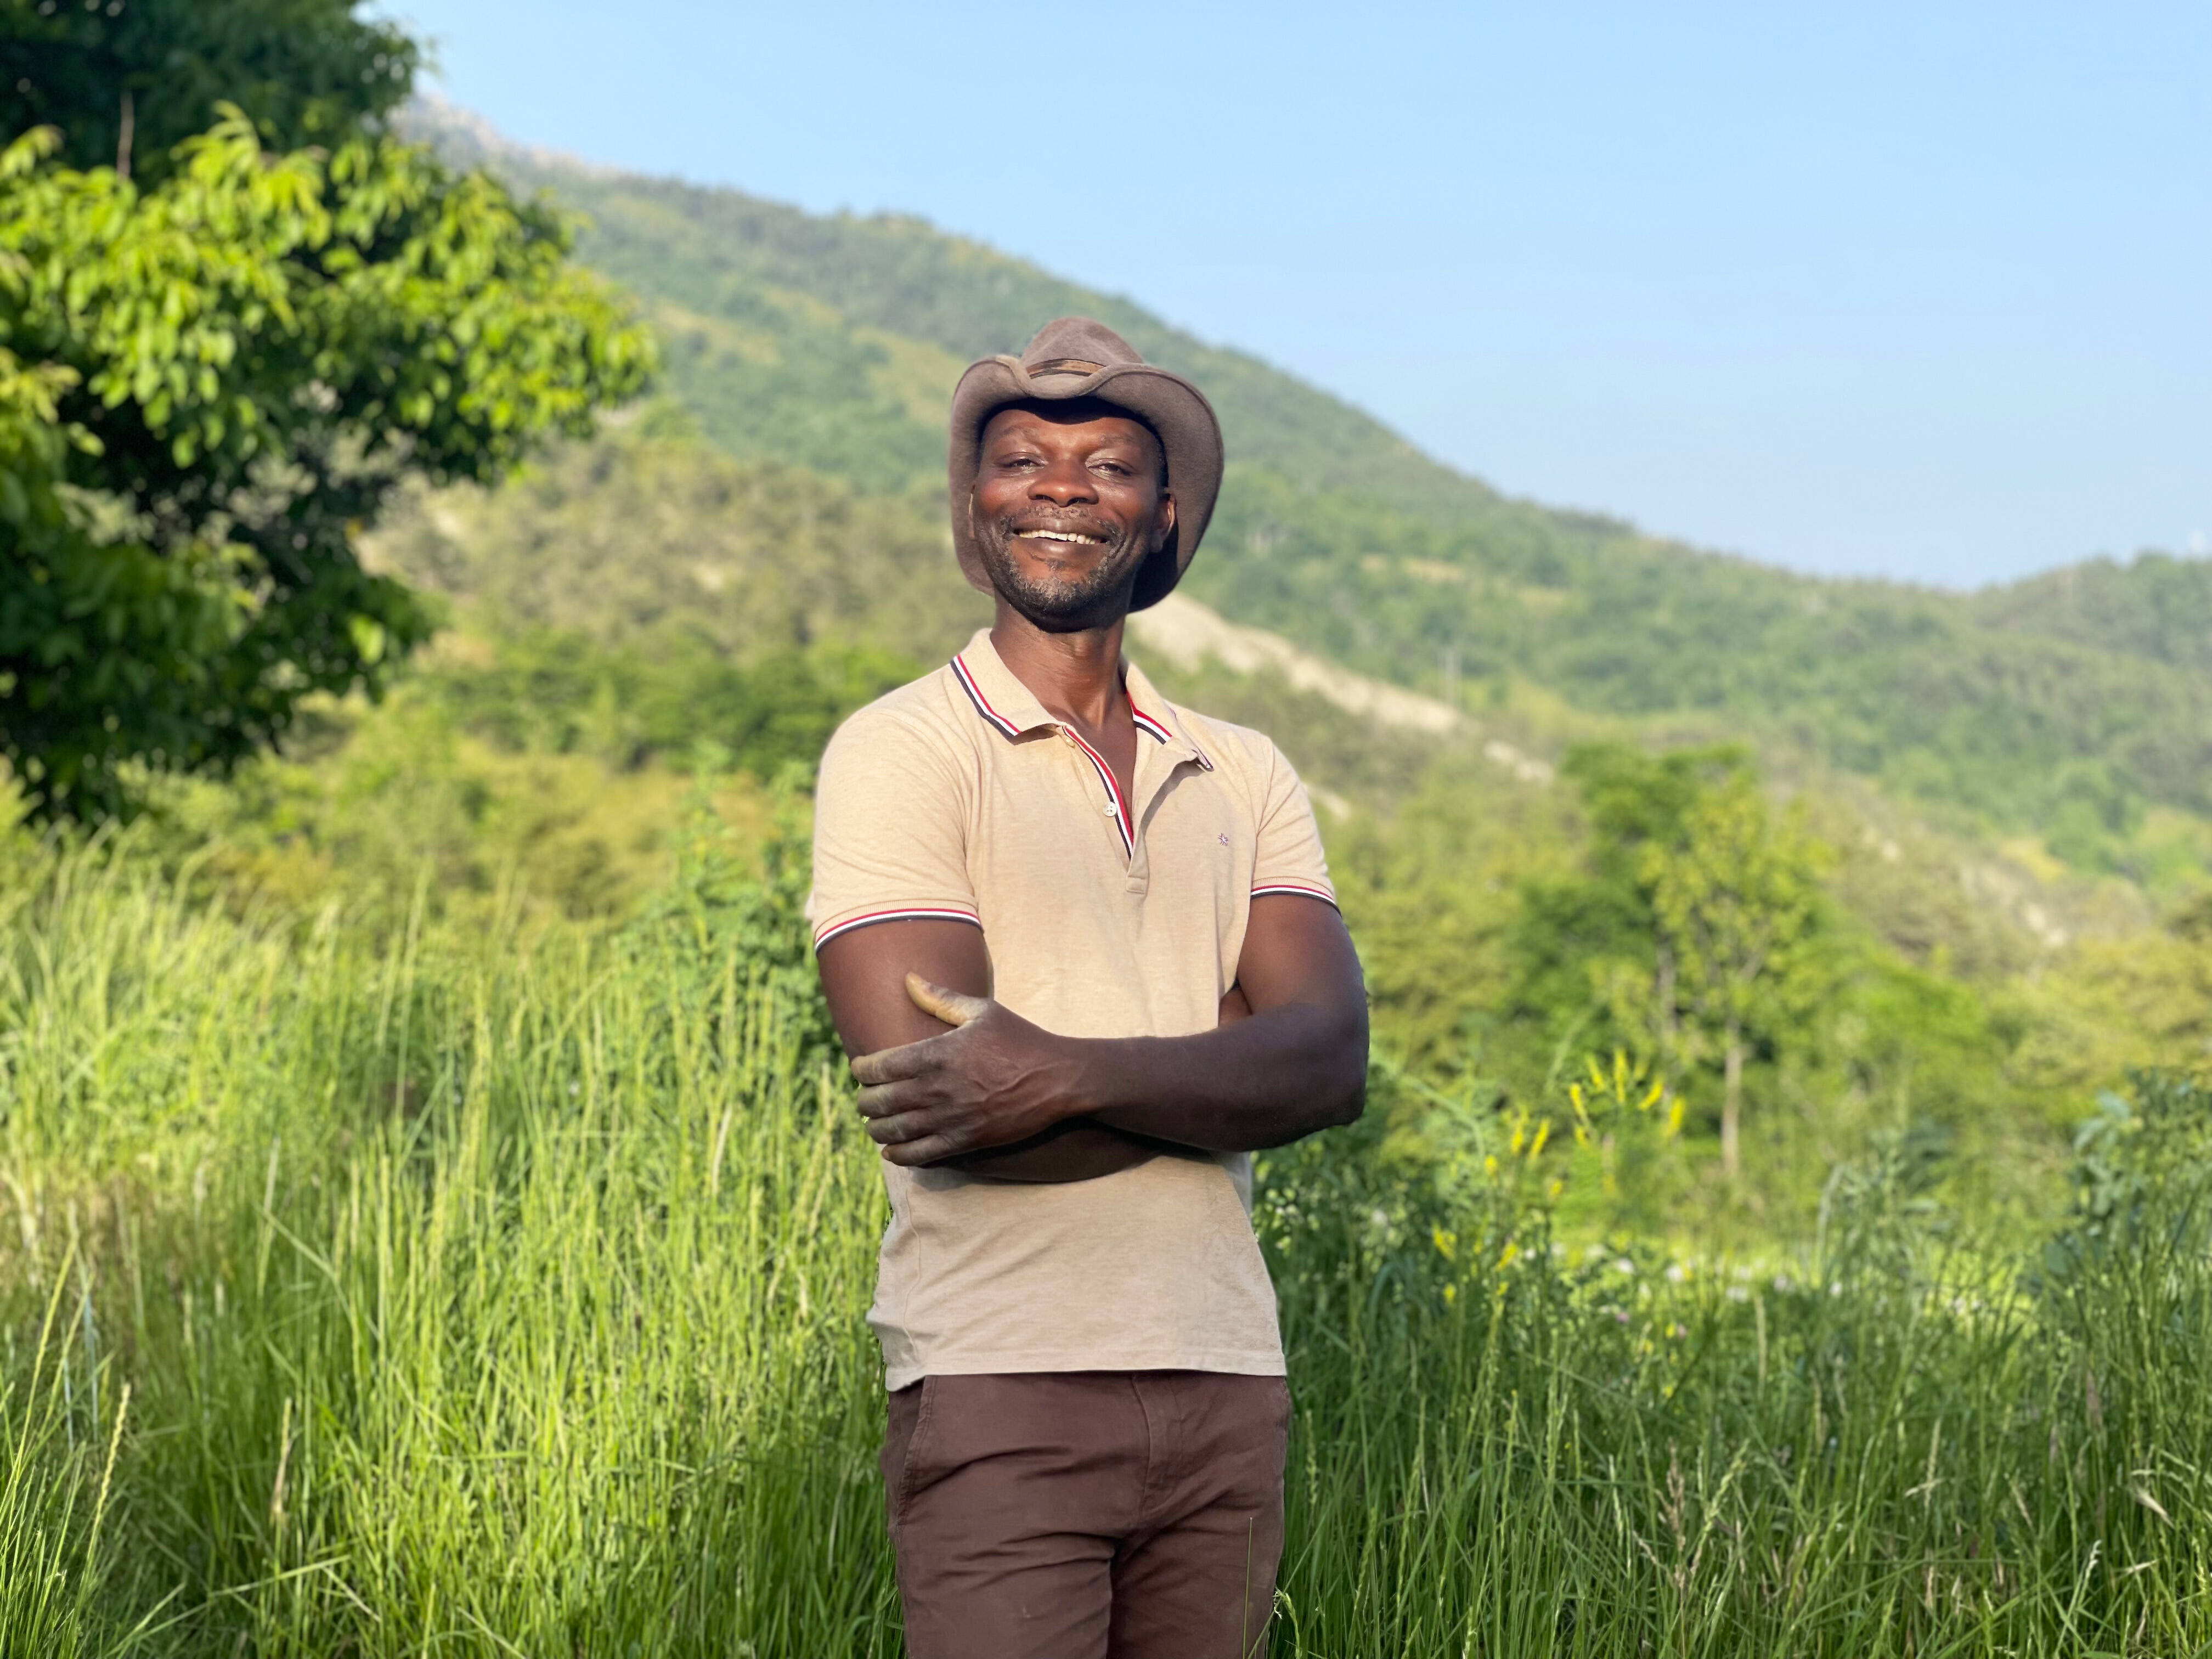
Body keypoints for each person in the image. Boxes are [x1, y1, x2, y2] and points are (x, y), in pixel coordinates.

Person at [809, 316, 1369, 1659]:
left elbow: (1330, 1066)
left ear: (1164, 515)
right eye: (1022, 459)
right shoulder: (899, 751)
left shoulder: (1246, 771)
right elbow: (942, 1109)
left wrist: (1063, 1069)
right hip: (1001, 1378)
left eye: (1110, 464)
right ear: (976, 502)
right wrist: (1228, 1070)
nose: (1062, 487)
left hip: (1229, 1378)